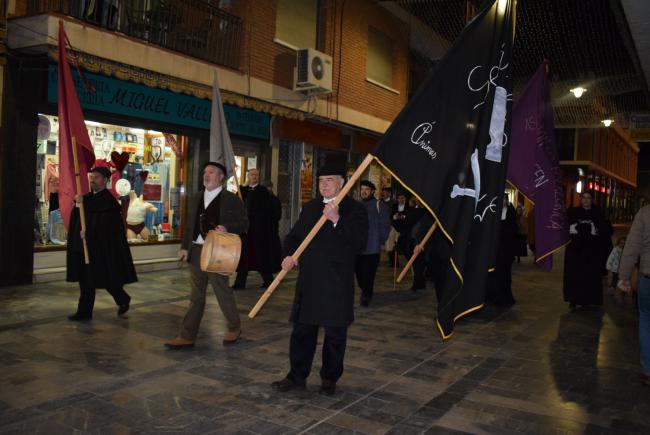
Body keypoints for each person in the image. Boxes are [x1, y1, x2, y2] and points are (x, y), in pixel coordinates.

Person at [271, 160, 367, 396]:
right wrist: (288, 255)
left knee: (335, 335)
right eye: (321, 181)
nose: (324, 185)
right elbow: (294, 237)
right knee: (302, 332)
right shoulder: (311, 208)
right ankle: (296, 376)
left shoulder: (355, 210)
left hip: (336, 283)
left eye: (330, 180)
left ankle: (329, 378)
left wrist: (336, 220)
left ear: (342, 183)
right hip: (310, 282)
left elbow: (359, 243)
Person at [165, 162, 248, 348]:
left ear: (221, 177)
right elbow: (189, 225)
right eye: (205, 172)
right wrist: (185, 247)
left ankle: (234, 328)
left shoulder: (231, 199)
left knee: (222, 292)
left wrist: (228, 227)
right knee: (196, 296)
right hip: (196, 250)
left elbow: (244, 223)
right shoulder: (195, 197)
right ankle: (187, 335)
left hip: (218, 251)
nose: (206, 175)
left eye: (211, 172)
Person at [66, 166, 136, 321]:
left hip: (101, 249)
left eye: (96, 177)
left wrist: (89, 233)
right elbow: (79, 219)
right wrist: (78, 205)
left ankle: (123, 299)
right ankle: (84, 312)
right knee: (86, 280)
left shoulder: (109, 203)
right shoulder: (86, 198)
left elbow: (107, 229)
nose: (92, 180)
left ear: (105, 181)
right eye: (91, 177)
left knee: (105, 279)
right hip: (84, 247)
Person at [617, 206, 650, 386]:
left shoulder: (645, 213)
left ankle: (648, 371)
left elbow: (632, 247)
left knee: (646, 321)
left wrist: (624, 276)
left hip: (648, 277)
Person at [233, 168, 281, 289]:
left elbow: (268, 212)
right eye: (252, 174)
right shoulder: (241, 191)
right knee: (243, 256)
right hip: (244, 231)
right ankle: (239, 283)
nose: (254, 176)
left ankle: (268, 280)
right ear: (247, 176)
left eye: (256, 175)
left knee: (260, 255)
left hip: (258, 232)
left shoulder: (263, 192)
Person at [563, 191, 607, 311]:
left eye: (589, 198)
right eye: (584, 198)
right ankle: (573, 299)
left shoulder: (598, 213)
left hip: (592, 252)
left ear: (592, 200)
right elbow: (564, 227)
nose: (586, 200)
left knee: (589, 275)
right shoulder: (572, 212)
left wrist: (596, 232)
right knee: (574, 275)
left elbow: (605, 230)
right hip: (575, 251)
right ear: (580, 199)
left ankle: (588, 299)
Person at [355, 180, 391, 306]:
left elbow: (385, 226)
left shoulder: (379, 205)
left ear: (372, 191)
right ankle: (365, 289)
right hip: (357, 248)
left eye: (366, 189)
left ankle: (366, 295)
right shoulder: (356, 205)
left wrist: (380, 241)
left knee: (369, 274)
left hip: (372, 247)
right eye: (362, 189)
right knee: (359, 274)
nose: (364, 191)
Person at [485, 196, 517, 307]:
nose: (503, 202)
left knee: (505, 274)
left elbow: (512, 231)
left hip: (506, 250)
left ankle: (505, 297)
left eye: (504, 200)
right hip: (495, 250)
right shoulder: (495, 211)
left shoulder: (511, 213)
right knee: (494, 274)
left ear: (507, 201)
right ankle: (493, 296)